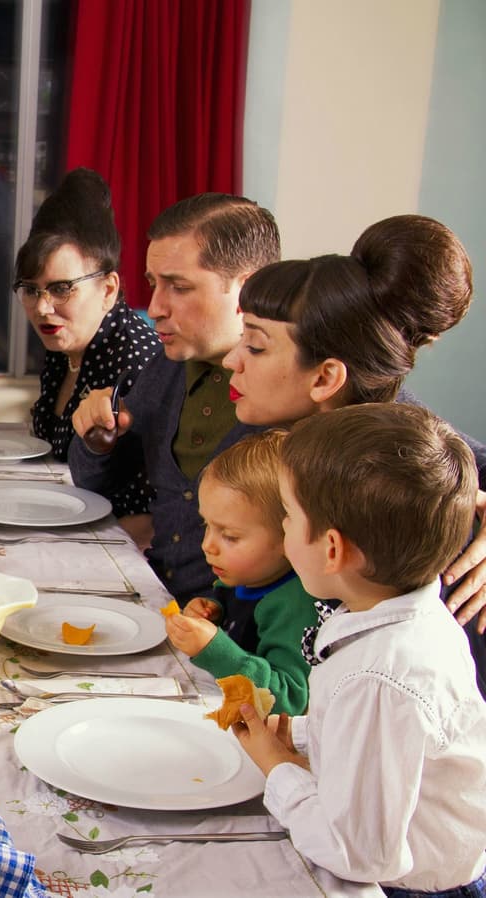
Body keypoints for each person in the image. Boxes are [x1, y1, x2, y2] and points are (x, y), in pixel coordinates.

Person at [222, 214, 486, 690]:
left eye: (256, 347)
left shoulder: (407, 495)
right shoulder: (264, 442)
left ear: (325, 377)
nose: (230, 360)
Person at [236, 403, 486, 897]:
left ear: (332, 549)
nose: (283, 529)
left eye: (287, 516)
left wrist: (278, 768)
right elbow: (375, 742)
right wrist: (298, 739)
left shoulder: (379, 676)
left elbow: (358, 852)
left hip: (409, 889)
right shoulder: (403, 616)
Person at [70, 193, 280, 599]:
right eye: (153, 284)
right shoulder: (168, 366)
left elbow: (402, 422)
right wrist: (97, 440)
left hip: (243, 639)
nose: (156, 307)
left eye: (179, 287)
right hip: (160, 601)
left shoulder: (294, 380)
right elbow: (96, 485)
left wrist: (444, 535)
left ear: (247, 289)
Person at [20, 168, 161, 521]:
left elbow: (145, 502)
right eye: (31, 289)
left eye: (61, 288)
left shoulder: (136, 360)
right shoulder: (66, 344)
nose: (42, 307)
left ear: (109, 290)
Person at [164, 430, 314, 714]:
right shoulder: (248, 575)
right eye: (206, 526)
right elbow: (238, 607)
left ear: (289, 536)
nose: (207, 545)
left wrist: (215, 650)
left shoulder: (295, 606)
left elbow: (290, 701)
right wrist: (213, 610)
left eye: (230, 536)